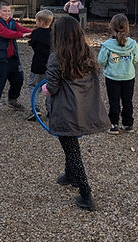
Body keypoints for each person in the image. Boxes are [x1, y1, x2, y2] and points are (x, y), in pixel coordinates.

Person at [42, 16, 109, 211]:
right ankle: (69, 175)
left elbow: (52, 87)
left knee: (72, 150)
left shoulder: (57, 57)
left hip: (66, 110)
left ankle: (86, 193)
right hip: (82, 108)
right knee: (70, 144)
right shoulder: (87, 53)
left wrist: (45, 88)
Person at [0, 0, 32, 118]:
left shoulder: (12, 22)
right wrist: (22, 35)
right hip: (0, 58)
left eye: (9, 11)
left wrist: (37, 33)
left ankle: (13, 99)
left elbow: (22, 30)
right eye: (4, 11)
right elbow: (8, 34)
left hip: (12, 57)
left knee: (18, 79)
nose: (7, 13)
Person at [98, 13, 138, 135]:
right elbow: (136, 59)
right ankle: (128, 123)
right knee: (127, 100)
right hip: (128, 76)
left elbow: (101, 61)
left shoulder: (107, 45)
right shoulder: (133, 44)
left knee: (114, 100)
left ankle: (114, 124)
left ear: (111, 27)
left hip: (112, 76)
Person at [25, 9, 54, 121]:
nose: (35, 22)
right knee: (51, 87)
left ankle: (35, 108)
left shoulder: (36, 33)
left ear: (41, 22)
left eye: (36, 20)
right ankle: (51, 110)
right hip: (51, 66)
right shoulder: (54, 34)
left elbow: (31, 43)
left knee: (33, 86)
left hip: (37, 65)